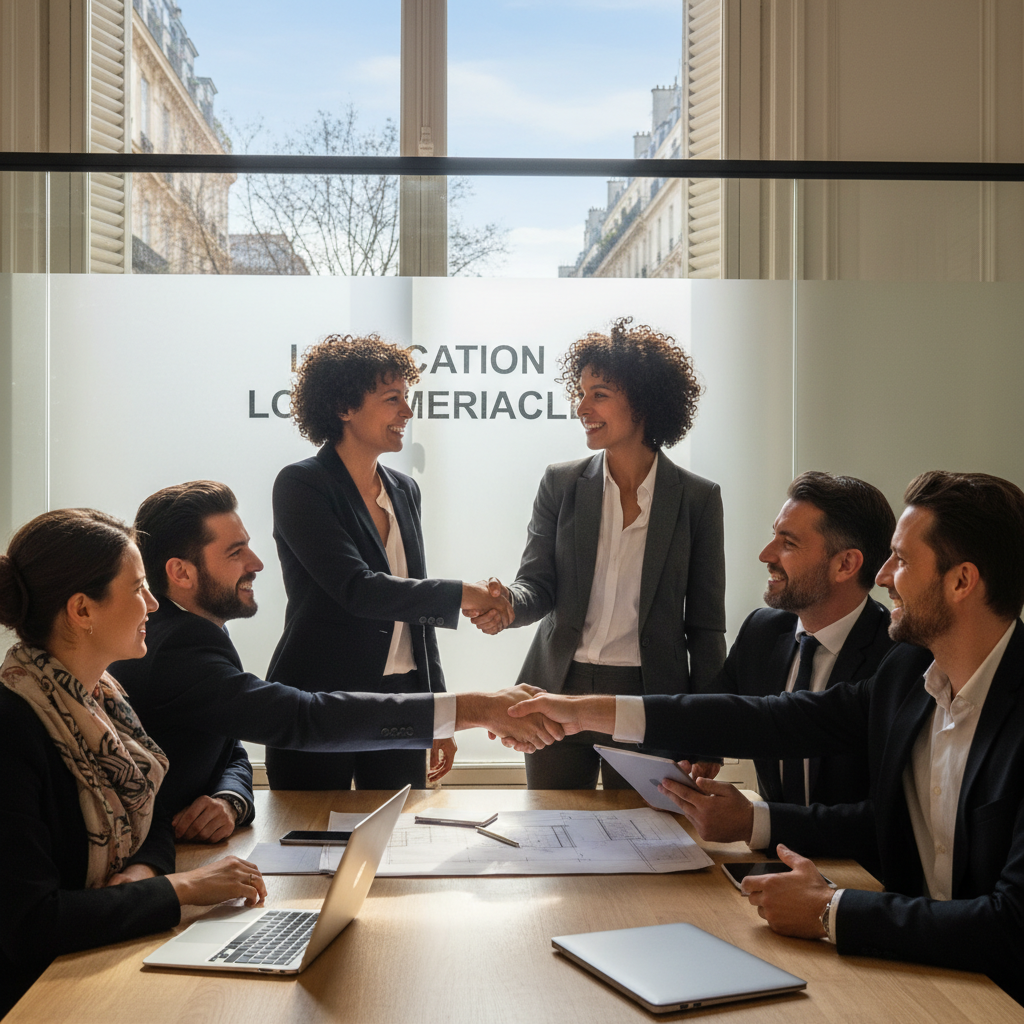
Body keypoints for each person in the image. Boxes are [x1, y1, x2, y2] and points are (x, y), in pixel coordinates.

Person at [509, 471, 1024, 1005]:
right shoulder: (910, 678)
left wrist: (831, 910)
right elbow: (766, 720)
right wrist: (587, 711)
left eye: (903, 560)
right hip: (917, 972)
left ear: (961, 581)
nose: (886, 575)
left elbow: (1012, 925)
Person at [112, 480, 560, 837]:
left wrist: (231, 799)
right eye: (235, 552)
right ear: (181, 572)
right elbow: (306, 718)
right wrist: (478, 708)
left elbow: (230, 748)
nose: (257, 563)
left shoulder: (185, 631)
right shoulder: (178, 644)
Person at [0, 508, 268, 1014]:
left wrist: (143, 873)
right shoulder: (13, 728)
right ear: (82, 610)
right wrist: (181, 887)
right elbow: (30, 925)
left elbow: (152, 814)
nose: (151, 603)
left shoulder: (105, 700)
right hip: (36, 996)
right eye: (138, 588)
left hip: (96, 961)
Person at [472, 316, 726, 789]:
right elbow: (538, 585)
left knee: (641, 840)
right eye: (582, 392)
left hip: (647, 699)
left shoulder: (697, 499)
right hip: (556, 687)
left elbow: (706, 627)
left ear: (645, 402)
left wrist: (706, 732)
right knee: (552, 832)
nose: (581, 407)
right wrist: (508, 603)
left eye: (599, 393)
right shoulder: (560, 482)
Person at [265, 333, 514, 791]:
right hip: (321, 701)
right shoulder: (302, 484)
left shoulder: (404, 489)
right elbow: (356, 589)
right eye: (392, 399)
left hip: (405, 699)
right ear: (344, 407)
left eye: (407, 397)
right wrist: (465, 594)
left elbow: (417, 615)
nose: (407, 412)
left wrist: (438, 710)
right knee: (309, 848)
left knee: (399, 843)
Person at [683, 472, 894, 863]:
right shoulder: (763, 630)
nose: (766, 554)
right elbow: (716, 714)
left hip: (862, 881)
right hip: (772, 866)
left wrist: (754, 821)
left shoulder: (897, 658)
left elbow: (888, 821)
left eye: (788, 543)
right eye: (773, 535)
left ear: (845, 564)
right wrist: (695, 754)